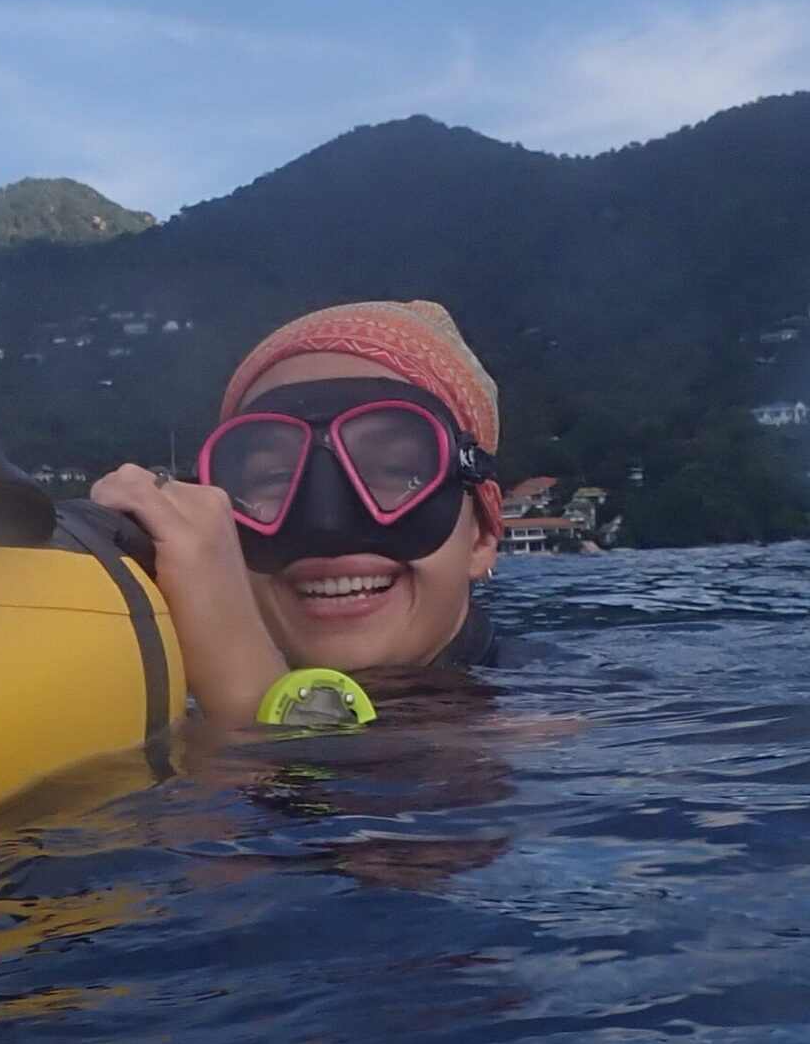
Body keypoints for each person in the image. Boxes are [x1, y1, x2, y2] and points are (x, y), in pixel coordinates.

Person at [91, 300, 505, 727]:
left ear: (481, 536)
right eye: (273, 477)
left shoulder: (546, 725)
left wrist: (246, 696)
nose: (326, 526)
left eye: (393, 471)